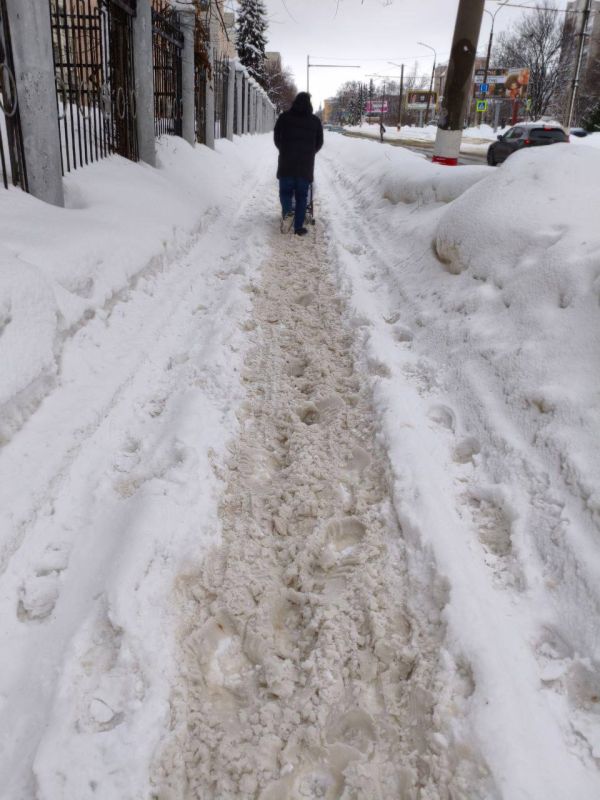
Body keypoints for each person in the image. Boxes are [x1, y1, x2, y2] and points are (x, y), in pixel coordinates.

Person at [274, 92, 323, 237]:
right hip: (305, 165)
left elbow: (277, 138)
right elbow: (319, 143)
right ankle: (298, 228)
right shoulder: (315, 121)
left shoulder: (284, 118)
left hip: (286, 163)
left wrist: (284, 149)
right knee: (302, 196)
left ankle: (288, 212)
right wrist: (309, 152)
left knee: (285, 192)